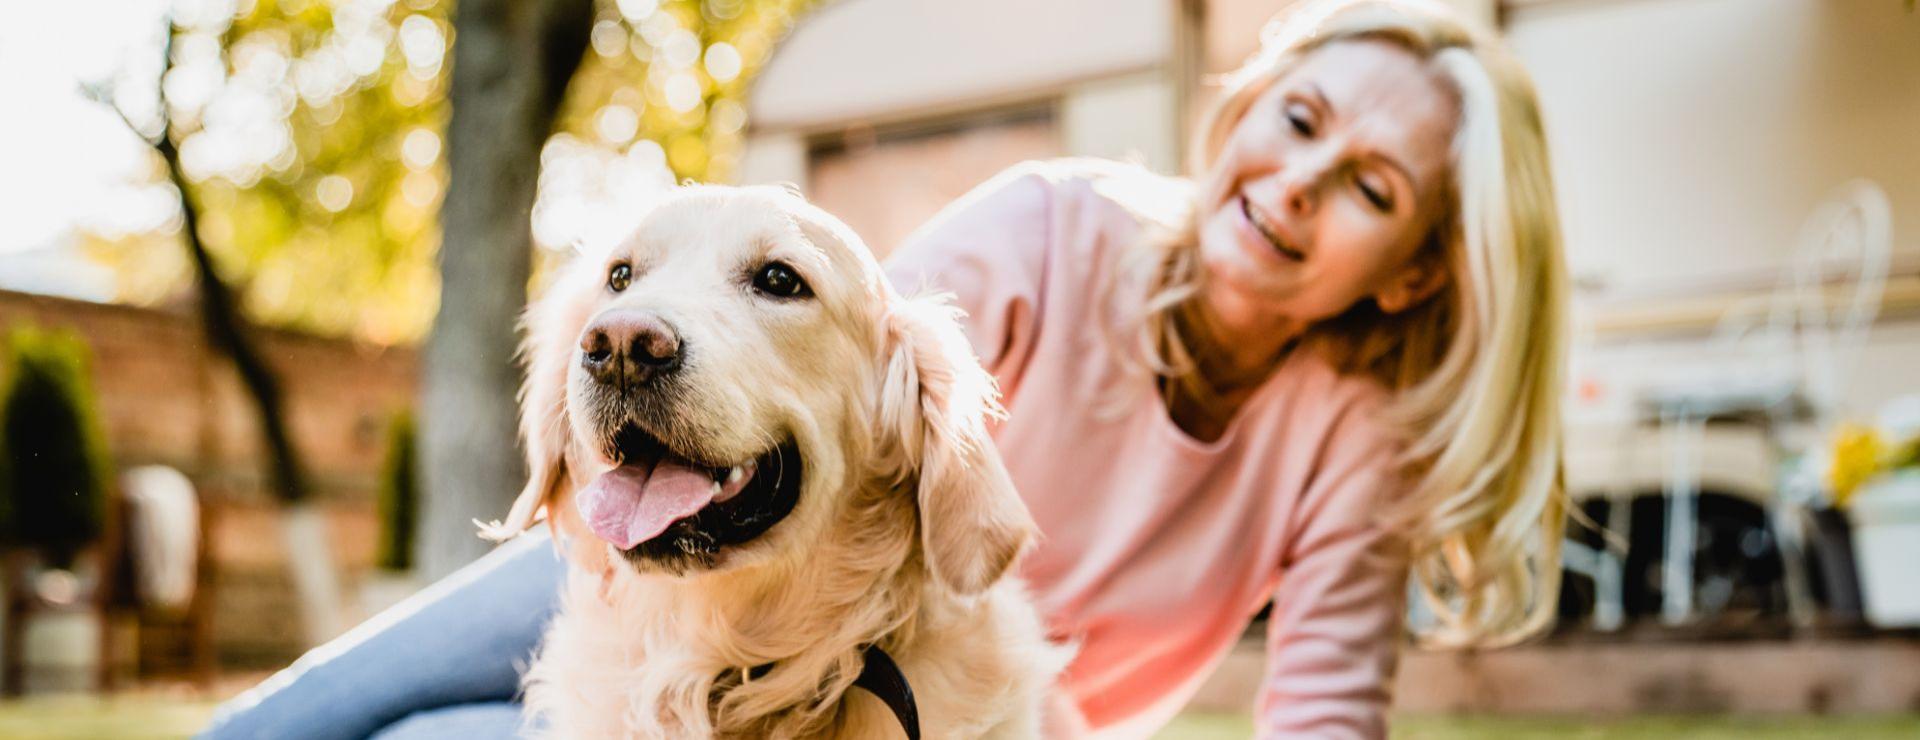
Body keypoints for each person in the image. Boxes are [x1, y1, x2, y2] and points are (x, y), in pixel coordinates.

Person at [201, 0, 1568, 736]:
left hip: (937, 693)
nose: (1299, 182)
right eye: (1301, 116)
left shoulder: (1354, 442)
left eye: (1371, 185)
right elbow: (827, 373)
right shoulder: (1050, 223)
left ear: (1415, 268)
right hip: (659, 547)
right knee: (309, 721)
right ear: (1248, 103)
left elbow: (1324, 719)